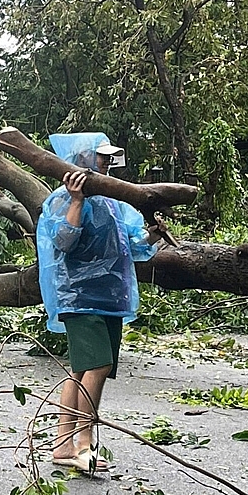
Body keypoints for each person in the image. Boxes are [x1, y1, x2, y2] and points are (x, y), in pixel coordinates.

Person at [37, 132, 165, 474]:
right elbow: (63, 241)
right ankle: (84, 443)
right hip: (79, 298)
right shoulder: (61, 201)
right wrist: (77, 201)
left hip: (110, 298)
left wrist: (154, 232)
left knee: (83, 369)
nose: (107, 164)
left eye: (109, 158)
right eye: (101, 157)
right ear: (82, 161)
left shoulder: (113, 202)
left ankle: (63, 445)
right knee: (98, 367)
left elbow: (135, 246)